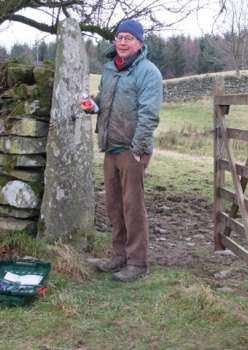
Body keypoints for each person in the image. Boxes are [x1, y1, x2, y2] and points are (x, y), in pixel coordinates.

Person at [81, 19, 163, 282]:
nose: (123, 42)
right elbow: (105, 101)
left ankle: (137, 262)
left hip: (132, 150)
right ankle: (119, 256)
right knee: (114, 205)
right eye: (119, 37)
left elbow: (149, 114)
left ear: (140, 43)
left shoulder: (148, 72)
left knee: (132, 206)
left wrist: (139, 148)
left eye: (129, 38)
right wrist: (93, 105)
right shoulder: (110, 70)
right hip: (111, 148)